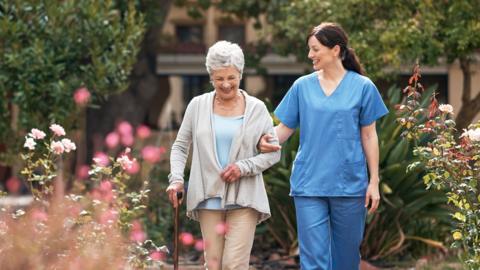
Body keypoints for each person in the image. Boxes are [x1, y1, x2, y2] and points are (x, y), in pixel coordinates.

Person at [258, 22, 388, 269]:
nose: (310, 55)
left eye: (315, 49)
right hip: (310, 184)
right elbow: (284, 129)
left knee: (346, 259)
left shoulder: (363, 87)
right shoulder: (302, 86)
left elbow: (369, 136)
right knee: (313, 260)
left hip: (350, 184)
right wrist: (263, 140)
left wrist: (374, 181)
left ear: (335, 50)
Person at [166, 40, 281, 270]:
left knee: (233, 265)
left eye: (232, 78)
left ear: (240, 74)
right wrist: (176, 179)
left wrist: (243, 167)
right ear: (211, 78)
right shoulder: (197, 106)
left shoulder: (256, 109)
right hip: (208, 197)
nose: (226, 84)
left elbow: (273, 154)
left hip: (245, 197)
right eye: (219, 79)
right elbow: (180, 146)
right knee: (214, 264)